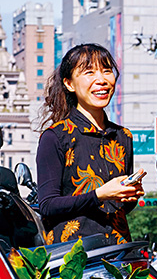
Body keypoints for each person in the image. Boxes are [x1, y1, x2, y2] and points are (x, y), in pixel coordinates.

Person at [37, 43, 144, 245]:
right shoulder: (55, 137)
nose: (101, 80)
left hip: (118, 251)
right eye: (89, 72)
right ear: (69, 84)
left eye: (106, 71)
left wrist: (129, 196)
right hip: (74, 258)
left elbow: (119, 208)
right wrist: (99, 195)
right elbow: (48, 205)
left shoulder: (123, 136)